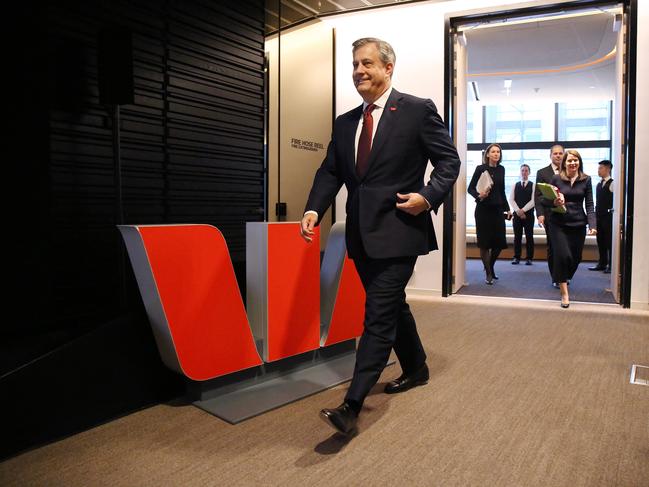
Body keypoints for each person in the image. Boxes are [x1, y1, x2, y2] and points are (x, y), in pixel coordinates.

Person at [300, 37, 460, 436]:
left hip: (401, 231)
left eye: (367, 63)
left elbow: (449, 161)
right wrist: (313, 209)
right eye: (355, 64)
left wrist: (427, 196)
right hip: (361, 234)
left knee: (378, 314)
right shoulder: (345, 121)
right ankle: (418, 367)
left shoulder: (417, 111)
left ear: (389, 68)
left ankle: (352, 403)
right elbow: (330, 172)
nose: (358, 71)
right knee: (391, 305)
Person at [549, 149, 596, 308]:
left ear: (579, 162)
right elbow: (545, 198)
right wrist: (554, 202)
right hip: (558, 224)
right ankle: (564, 293)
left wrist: (592, 224)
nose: (573, 163)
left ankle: (563, 276)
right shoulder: (556, 179)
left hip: (578, 224)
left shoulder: (586, 180)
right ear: (564, 163)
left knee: (575, 258)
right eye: (569, 160)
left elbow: (589, 204)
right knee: (563, 256)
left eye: (575, 160)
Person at [467, 143, 510, 284]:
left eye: (498, 152)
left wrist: (507, 208)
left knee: (499, 243)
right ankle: (489, 274)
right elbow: (470, 188)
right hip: (483, 210)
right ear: (487, 154)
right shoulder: (480, 169)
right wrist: (480, 196)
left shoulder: (502, 169)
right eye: (493, 151)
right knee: (485, 243)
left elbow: (502, 191)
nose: (496, 154)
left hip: (497, 210)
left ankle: (489, 266)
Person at [535, 144, 564, 287]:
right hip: (549, 215)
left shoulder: (569, 171)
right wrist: (540, 214)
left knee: (565, 247)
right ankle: (555, 277)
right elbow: (538, 196)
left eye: (560, 153)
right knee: (553, 247)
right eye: (555, 154)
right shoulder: (542, 172)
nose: (558, 156)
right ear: (550, 155)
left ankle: (564, 275)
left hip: (566, 216)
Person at [589, 160, 613, 273]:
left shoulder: (613, 183)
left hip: (608, 218)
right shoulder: (599, 184)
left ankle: (611, 265)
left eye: (601, 168)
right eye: (598, 168)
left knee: (609, 242)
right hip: (599, 217)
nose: (598, 170)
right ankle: (602, 263)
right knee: (601, 241)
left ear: (608, 169)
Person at [509, 164, 535, 265]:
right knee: (517, 237)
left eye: (526, 171)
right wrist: (518, 211)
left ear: (529, 172)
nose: (524, 172)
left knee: (529, 236)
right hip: (517, 216)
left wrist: (523, 210)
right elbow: (511, 199)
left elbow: (533, 201)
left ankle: (529, 258)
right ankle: (516, 257)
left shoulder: (533, 185)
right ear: (520, 172)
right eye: (522, 171)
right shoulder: (515, 185)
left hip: (529, 215)